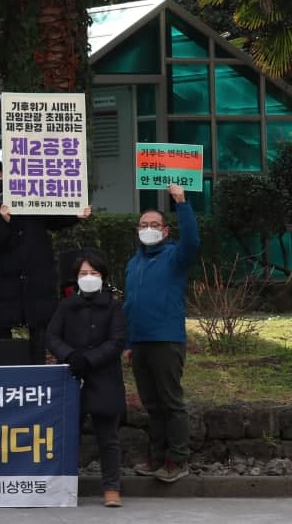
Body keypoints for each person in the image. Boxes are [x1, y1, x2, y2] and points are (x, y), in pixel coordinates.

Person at [0, 161, 90, 363]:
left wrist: (76, 215)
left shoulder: (30, 199)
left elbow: (53, 219)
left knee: (39, 327)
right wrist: (5, 221)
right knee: (2, 325)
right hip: (9, 279)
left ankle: (37, 371)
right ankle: (4, 374)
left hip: (38, 277)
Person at [125, 184, 198, 484]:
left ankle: (177, 460)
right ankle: (157, 456)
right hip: (139, 343)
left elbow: (192, 241)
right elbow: (130, 305)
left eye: (155, 225)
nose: (149, 229)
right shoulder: (133, 263)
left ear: (166, 231)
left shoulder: (174, 256)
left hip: (166, 340)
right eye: (144, 225)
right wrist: (128, 343)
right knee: (152, 405)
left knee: (171, 402)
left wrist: (181, 202)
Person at [47, 250, 127, 507]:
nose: (89, 277)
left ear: (103, 277)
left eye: (94, 273)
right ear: (75, 278)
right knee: (69, 435)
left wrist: (90, 359)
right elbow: (52, 337)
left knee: (108, 438)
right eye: (83, 273)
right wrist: (70, 356)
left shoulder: (114, 307)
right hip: (72, 378)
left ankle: (112, 488)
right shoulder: (66, 306)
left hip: (105, 378)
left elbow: (116, 341)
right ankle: (64, 487)